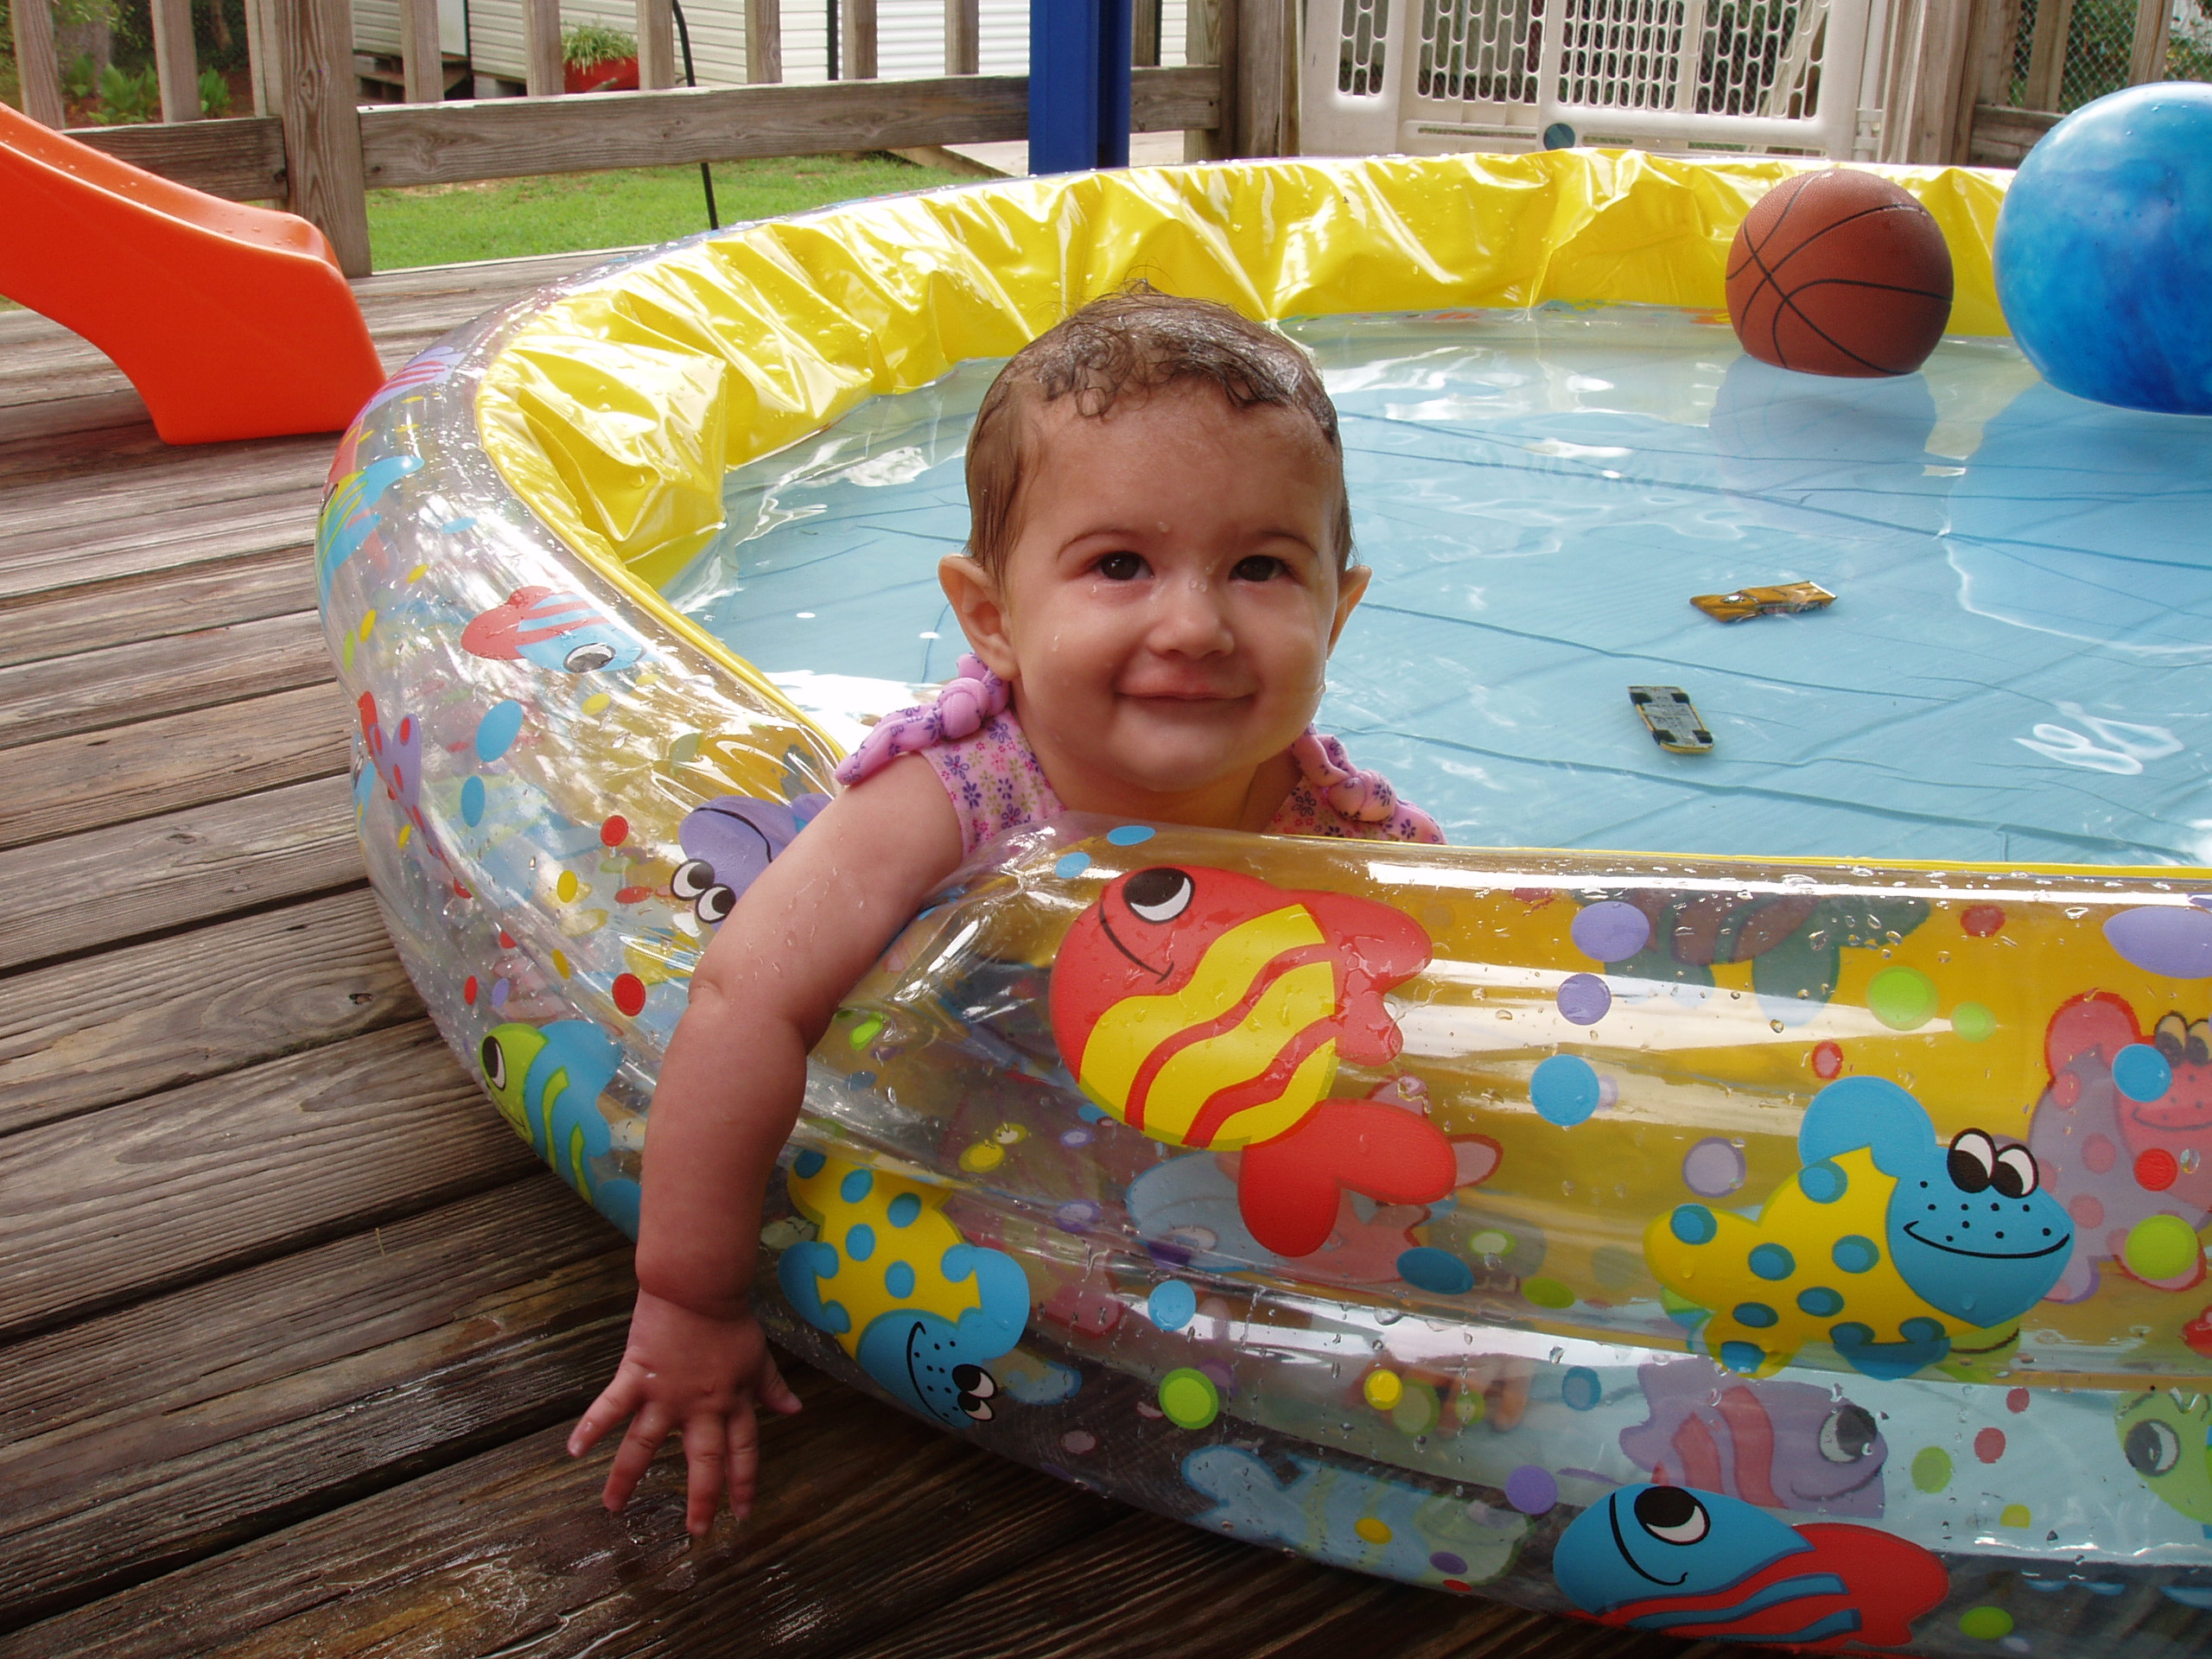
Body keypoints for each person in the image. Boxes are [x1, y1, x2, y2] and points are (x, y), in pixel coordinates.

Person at [567, 284, 1446, 1537]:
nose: (1194, 624)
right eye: (1119, 565)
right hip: (969, 1170)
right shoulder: (960, 795)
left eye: (1261, 568)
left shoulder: (1342, 829)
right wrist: (691, 1297)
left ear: (1337, 611)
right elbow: (743, 998)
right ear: (991, 617)